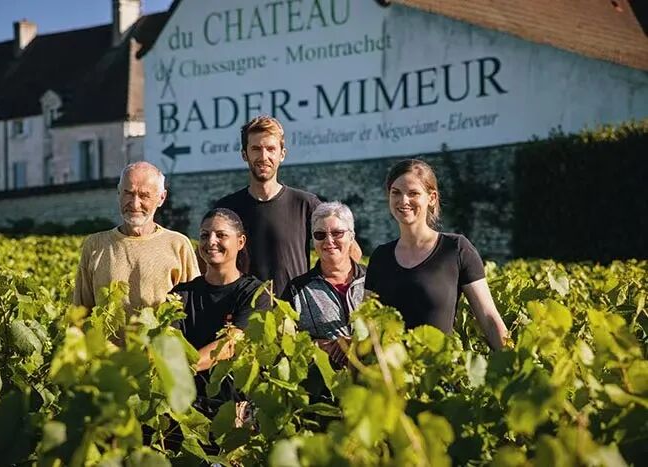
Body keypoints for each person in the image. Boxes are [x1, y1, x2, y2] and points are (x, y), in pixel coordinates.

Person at [365, 159, 508, 350]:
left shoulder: (456, 249)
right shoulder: (380, 257)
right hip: (388, 369)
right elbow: (366, 326)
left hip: (438, 367)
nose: (404, 200)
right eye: (396, 193)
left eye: (413, 193)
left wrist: (513, 362)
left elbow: (489, 319)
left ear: (431, 198)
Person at [215, 115, 361, 296]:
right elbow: (207, 263)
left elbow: (351, 251)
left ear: (282, 154)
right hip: (242, 309)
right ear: (244, 154)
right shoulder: (226, 210)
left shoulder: (306, 204)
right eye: (256, 149)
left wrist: (329, 295)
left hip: (295, 310)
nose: (264, 156)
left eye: (271, 149)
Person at [73, 161, 200, 313]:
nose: (135, 204)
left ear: (161, 198)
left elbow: (193, 310)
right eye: (128, 193)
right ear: (119, 193)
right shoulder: (95, 245)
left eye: (144, 195)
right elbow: (80, 312)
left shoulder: (178, 245)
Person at [172, 208, 270, 372]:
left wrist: (184, 369)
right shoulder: (180, 295)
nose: (211, 241)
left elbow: (231, 344)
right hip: (186, 388)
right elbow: (169, 343)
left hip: (235, 390)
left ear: (240, 242)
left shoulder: (255, 294)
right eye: (205, 235)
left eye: (221, 235)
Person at [283, 202, 365, 366]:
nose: (329, 241)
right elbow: (284, 342)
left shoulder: (375, 279)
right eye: (320, 235)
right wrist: (318, 346)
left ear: (351, 237)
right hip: (321, 380)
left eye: (337, 233)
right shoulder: (296, 289)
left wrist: (357, 344)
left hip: (375, 378)